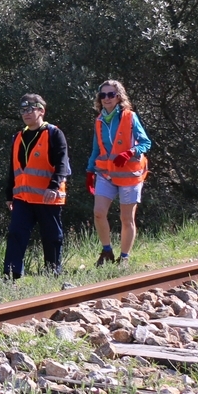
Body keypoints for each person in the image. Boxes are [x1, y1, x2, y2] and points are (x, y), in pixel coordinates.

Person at [5, 93, 71, 279]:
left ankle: (53, 272)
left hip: (47, 196)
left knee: (51, 236)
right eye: (23, 110)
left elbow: (62, 164)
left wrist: (54, 186)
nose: (26, 113)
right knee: (16, 234)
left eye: (30, 109)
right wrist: (9, 194)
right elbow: (13, 168)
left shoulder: (54, 133)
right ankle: (11, 274)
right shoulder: (18, 137)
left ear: (41, 110)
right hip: (22, 198)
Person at [88, 79, 151, 266]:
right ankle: (106, 251)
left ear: (118, 97)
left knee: (126, 218)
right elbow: (96, 149)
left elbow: (146, 143)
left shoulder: (129, 117)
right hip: (105, 174)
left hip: (129, 175)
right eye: (103, 95)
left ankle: (124, 257)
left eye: (111, 94)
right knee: (98, 213)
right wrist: (89, 171)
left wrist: (131, 152)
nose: (106, 98)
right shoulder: (99, 121)